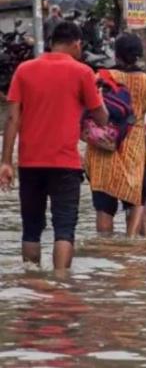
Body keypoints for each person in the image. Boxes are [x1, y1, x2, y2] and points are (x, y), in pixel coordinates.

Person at [0, 21, 109, 271]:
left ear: (51, 43)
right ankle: (61, 283)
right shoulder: (82, 72)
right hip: (65, 163)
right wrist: (98, 95)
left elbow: (12, 118)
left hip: (30, 163)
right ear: (77, 44)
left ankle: (31, 281)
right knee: (64, 228)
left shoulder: (24, 70)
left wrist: (6, 161)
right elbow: (102, 118)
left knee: (31, 229)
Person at [85, 34, 146, 237]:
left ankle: (106, 249)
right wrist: (142, 129)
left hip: (102, 146)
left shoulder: (100, 77)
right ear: (139, 55)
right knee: (135, 202)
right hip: (133, 151)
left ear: (116, 54)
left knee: (104, 208)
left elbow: (86, 111)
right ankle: (131, 247)